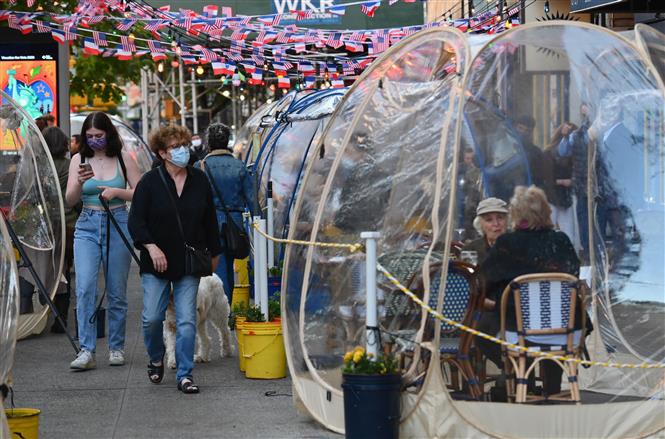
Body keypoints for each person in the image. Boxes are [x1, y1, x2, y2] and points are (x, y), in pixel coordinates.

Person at [129, 125, 221, 394]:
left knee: (186, 320)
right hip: (155, 261)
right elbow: (136, 221)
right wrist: (151, 247)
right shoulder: (149, 182)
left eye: (184, 145)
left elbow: (210, 220)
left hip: (188, 261)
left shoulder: (199, 180)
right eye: (174, 147)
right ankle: (156, 356)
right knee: (152, 318)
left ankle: (185, 374)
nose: (182, 151)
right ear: (162, 153)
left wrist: (214, 254)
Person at [477, 185, 581, 398]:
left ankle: (522, 374)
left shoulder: (507, 243)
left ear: (515, 215)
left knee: (484, 331)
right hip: (567, 331)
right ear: (546, 212)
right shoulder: (561, 240)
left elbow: (483, 282)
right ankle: (552, 389)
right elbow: (574, 275)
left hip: (522, 332)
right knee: (554, 320)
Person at [65, 112, 141, 370]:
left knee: (116, 289)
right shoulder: (79, 159)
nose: (95, 140)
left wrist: (117, 192)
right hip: (87, 223)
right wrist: (78, 181)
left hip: (118, 221)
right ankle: (86, 349)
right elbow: (70, 200)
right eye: (90, 136)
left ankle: (116, 346)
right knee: (85, 287)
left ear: (108, 134)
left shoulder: (123, 158)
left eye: (99, 136)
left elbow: (141, 192)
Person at [194, 123, 256, 304]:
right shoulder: (239, 166)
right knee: (230, 265)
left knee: (217, 268)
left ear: (208, 143)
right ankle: (226, 310)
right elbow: (252, 200)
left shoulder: (201, 166)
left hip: (210, 223)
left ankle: (223, 308)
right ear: (227, 140)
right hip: (235, 223)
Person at [42, 127, 80, 333]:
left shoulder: (39, 166)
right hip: (68, 225)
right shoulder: (69, 165)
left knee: (41, 268)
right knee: (63, 270)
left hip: (45, 225)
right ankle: (61, 318)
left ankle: (31, 311)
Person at [544, 122, 579, 249]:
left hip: (562, 194)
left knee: (564, 230)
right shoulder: (550, 151)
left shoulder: (551, 151)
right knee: (559, 229)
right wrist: (562, 182)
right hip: (555, 193)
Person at [461, 197, 509, 266]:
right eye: (489, 219)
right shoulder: (470, 249)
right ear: (480, 225)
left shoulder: (520, 247)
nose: (496, 224)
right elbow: (465, 274)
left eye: (500, 217)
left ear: (507, 221)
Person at [515, 115, 549, 189]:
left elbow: (539, 179)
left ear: (531, 132)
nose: (523, 132)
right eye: (520, 128)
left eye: (527, 130)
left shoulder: (536, 153)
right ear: (515, 127)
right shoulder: (506, 148)